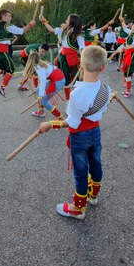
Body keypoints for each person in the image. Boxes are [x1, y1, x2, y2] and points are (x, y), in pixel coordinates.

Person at [38, 46, 111, 219]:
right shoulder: (106, 89)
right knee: (95, 163)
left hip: (80, 137)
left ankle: (78, 209)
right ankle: (94, 196)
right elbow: (101, 109)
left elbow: (72, 122)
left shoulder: (77, 95)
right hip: (96, 132)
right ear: (103, 67)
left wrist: (50, 124)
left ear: (80, 65)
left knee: (80, 171)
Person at [0, 9, 35, 97]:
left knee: (4, 68)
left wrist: (12, 38)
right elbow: (21, 31)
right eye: (9, 16)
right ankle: (0, 86)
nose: (11, 18)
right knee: (11, 69)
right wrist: (30, 24)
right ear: (3, 16)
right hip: (2, 51)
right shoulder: (6, 25)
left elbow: (4, 39)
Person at [41, 13, 85, 100]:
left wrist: (83, 62)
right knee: (66, 79)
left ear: (72, 22)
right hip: (63, 57)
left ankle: (77, 99)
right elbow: (51, 30)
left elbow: (82, 48)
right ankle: (68, 99)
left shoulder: (78, 34)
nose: (66, 21)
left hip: (72, 58)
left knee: (75, 79)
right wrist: (43, 20)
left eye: (67, 19)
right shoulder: (63, 31)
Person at [23, 51, 65, 119]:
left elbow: (42, 81)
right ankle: (41, 112)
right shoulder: (40, 63)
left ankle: (61, 118)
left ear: (30, 60)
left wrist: (41, 96)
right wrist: (29, 79)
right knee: (38, 91)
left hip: (58, 81)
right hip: (57, 79)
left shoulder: (39, 66)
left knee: (43, 101)